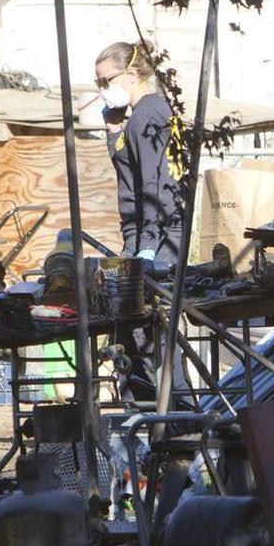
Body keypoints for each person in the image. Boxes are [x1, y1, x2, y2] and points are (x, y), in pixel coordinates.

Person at [94, 41, 189, 405]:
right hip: (149, 235)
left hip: (159, 238)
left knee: (149, 337)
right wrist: (113, 131)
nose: (103, 89)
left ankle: (167, 416)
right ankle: (158, 415)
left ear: (133, 74)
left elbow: (152, 186)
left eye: (107, 80)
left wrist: (146, 245)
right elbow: (129, 174)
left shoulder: (147, 116)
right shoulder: (145, 115)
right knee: (140, 335)